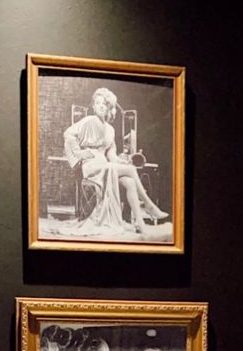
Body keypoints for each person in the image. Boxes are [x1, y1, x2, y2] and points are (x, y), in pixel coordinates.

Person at [62, 88, 168, 238]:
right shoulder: (89, 120)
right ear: (93, 106)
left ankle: (141, 225)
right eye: (97, 103)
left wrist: (122, 161)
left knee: (130, 182)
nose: (100, 106)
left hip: (105, 165)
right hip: (90, 166)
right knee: (131, 170)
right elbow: (68, 134)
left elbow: (111, 156)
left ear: (109, 108)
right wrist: (78, 154)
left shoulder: (110, 130)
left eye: (104, 104)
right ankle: (150, 206)